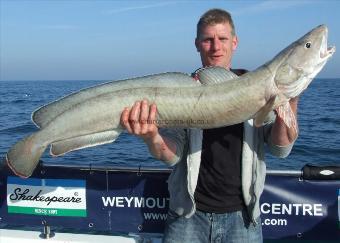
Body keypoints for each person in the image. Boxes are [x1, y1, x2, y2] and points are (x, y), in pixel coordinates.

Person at [120, 8, 298, 243]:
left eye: (222, 39)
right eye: (208, 39)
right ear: (197, 44)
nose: (216, 47)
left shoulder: (259, 89)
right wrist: (151, 136)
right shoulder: (179, 94)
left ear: (234, 42)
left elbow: (280, 148)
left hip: (242, 219)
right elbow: (171, 156)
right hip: (188, 218)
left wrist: (290, 98)